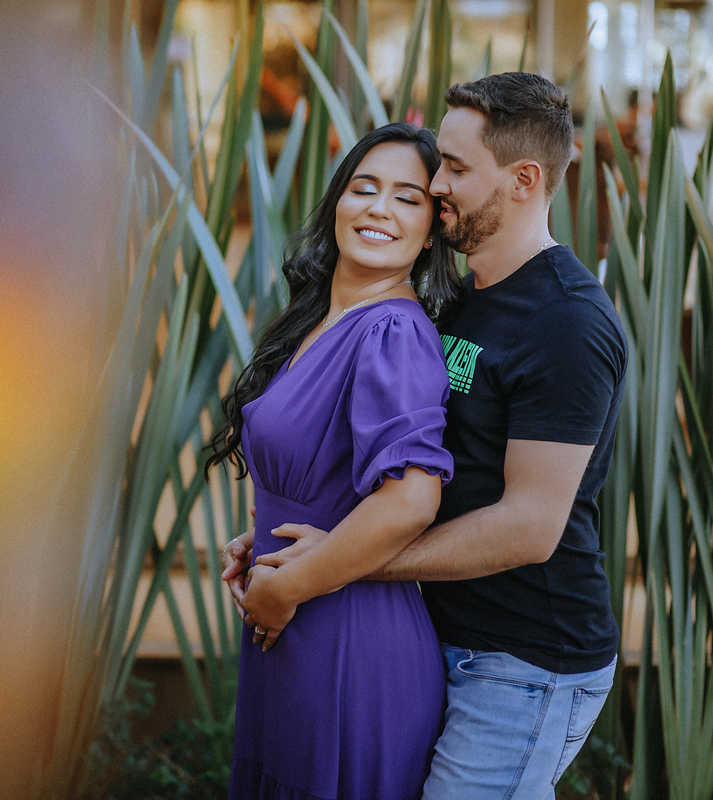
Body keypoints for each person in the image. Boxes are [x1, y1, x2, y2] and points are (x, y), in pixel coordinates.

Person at [224, 73, 627, 799]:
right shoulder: (460, 301)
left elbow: (530, 527)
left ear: (524, 180)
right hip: (439, 631)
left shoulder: (568, 323)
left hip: (524, 664)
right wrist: (301, 531)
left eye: (456, 169)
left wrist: (338, 563)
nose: (437, 183)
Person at [206, 121, 463, 800]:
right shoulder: (321, 317)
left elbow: (412, 499)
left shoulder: (394, 332)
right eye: (364, 188)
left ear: (430, 231)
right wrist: (263, 538)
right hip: (293, 622)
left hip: (348, 638)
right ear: (337, 202)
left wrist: (285, 587)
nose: (380, 208)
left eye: (408, 198)